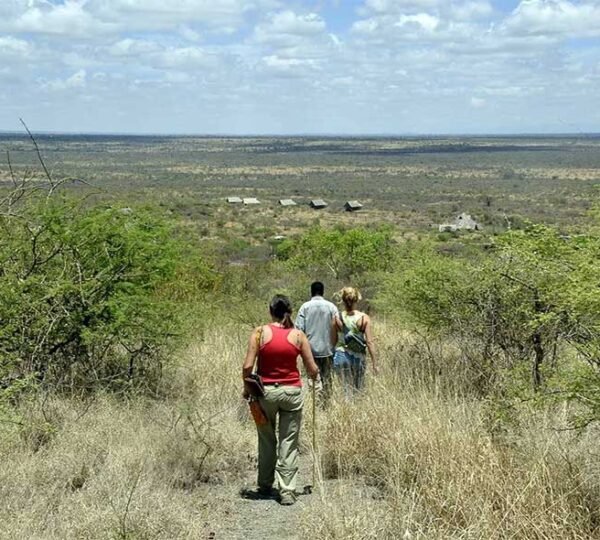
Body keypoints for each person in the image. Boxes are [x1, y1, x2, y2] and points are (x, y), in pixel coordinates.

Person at [242, 294, 319, 506]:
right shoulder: (298, 335)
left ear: (270, 310)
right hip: (292, 393)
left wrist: (247, 388)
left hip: (265, 393)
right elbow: (312, 368)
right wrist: (314, 375)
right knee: (288, 441)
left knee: (267, 439)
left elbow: (248, 367)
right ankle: (287, 490)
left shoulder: (259, 333)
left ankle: (265, 484)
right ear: (289, 311)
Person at [295, 281, 338, 402]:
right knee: (327, 378)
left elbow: (298, 329)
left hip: (309, 351)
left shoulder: (305, 307)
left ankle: (316, 404)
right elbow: (338, 326)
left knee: (312, 379)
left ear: (311, 291)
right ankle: (326, 403)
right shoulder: (331, 307)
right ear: (323, 291)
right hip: (328, 350)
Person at [332, 287, 377, 395]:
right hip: (358, 356)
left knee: (345, 388)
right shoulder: (364, 318)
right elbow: (370, 342)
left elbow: (333, 340)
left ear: (342, 300)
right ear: (357, 299)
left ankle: (346, 409)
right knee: (358, 388)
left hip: (341, 354)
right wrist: (375, 363)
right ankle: (356, 409)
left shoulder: (336, 317)